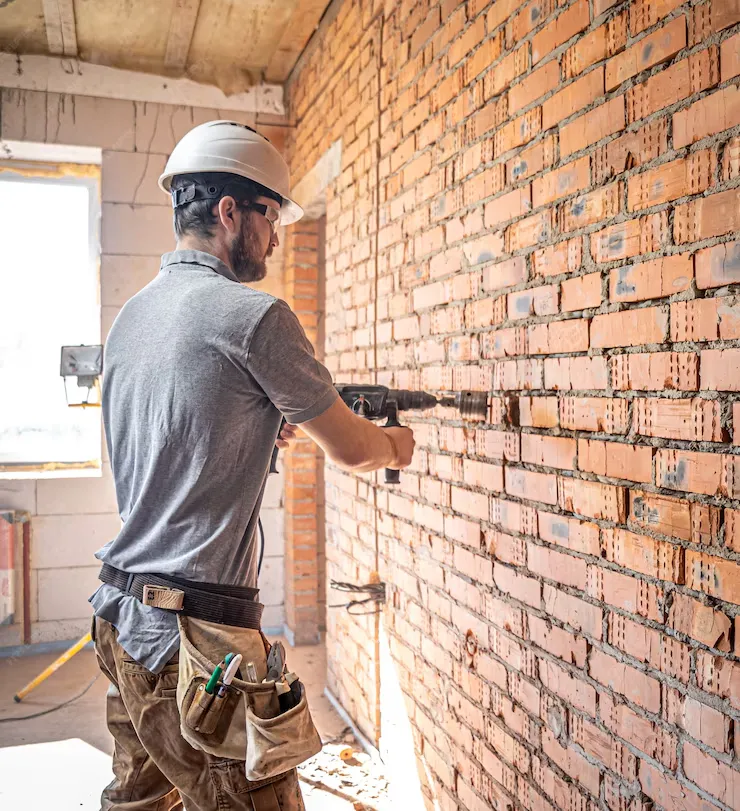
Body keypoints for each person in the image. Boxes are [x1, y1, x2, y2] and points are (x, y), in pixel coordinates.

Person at [89, 120, 415, 811]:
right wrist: (396, 446)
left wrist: (253, 436)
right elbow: (354, 448)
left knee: (138, 801)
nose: (274, 238)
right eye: (269, 216)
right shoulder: (255, 316)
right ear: (230, 212)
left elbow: (166, 443)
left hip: (119, 616)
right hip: (195, 643)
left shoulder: (133, 316)